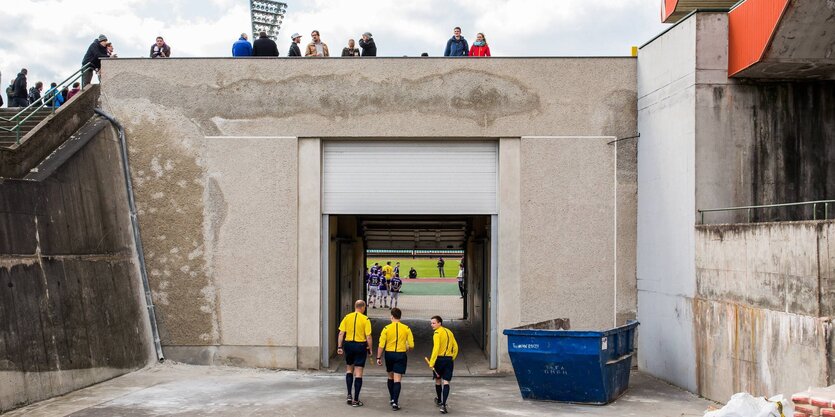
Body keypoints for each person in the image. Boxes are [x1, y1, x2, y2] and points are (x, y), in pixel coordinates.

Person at [376, 307, 414, 411]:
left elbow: (381, 345)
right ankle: (395, 403)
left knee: (390, 376)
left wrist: (378, 357)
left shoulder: (386, 328)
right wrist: (406, 347)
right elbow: (411, 345)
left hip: (389, 354)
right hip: (401, 354)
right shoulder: (406, 328)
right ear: (400, 317)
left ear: (392, 316)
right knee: (398, 379)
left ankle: (392, 397)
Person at [337, 300, 373, 407]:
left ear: (355, 306)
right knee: (358, 372)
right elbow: (368, 336)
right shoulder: (365, 319)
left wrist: (340, 346)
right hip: (360, 346)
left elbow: (341, 333)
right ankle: (356, 400)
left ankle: (349, 394)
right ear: (363, 307)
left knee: (349, 369)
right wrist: (370, 349)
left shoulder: (347, 317)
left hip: (348, 345)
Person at [429, 315, 458, 414]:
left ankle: (440, 400)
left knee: (438, 380)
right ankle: (443, 405)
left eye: (434, 323)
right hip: (449, 360)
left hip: (439, 360)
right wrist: (452, 357)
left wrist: (432, 362)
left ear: (439, 323)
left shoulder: (437, 333)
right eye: (431, 323)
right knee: (446, 381)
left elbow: (436, 348)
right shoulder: (449, 332)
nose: (432, 325)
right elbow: (456, 347)